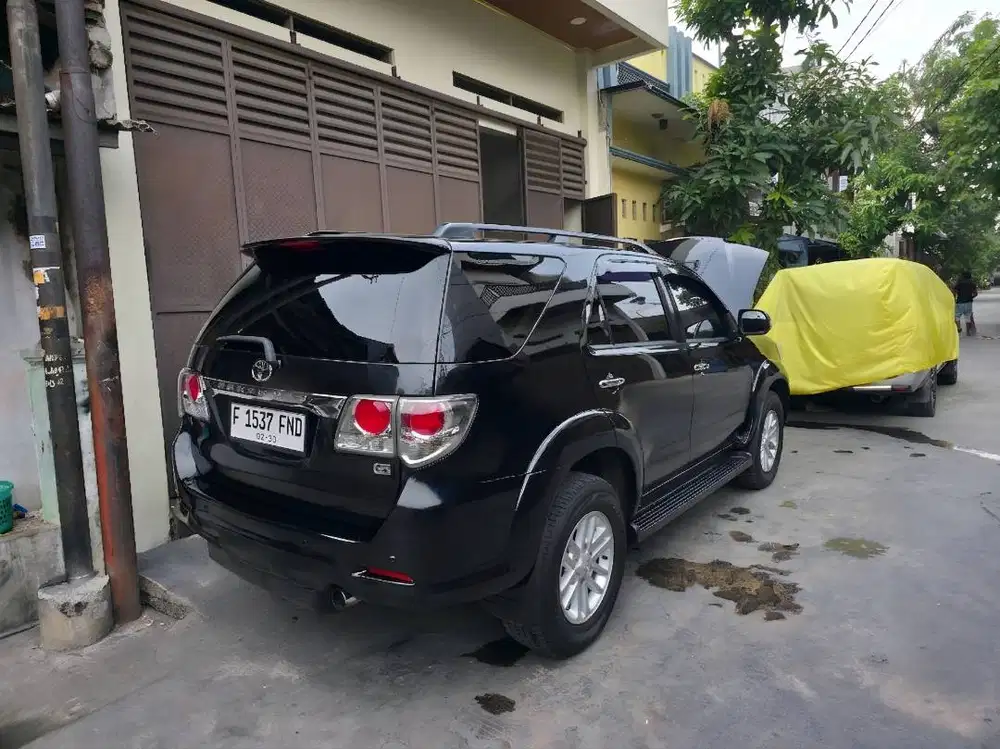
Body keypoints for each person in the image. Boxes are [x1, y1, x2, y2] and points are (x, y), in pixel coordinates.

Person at [954, 271, 978, 336]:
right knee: (968, 317)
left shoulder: (959, 283)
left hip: (960, 302)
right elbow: (976, 293)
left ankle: (959, 329)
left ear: (963, 276)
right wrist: (971, 297)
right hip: (969, 302)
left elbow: (954, 291)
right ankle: (968, 332)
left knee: (957, 316)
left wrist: (955, 297)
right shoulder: (972, 283)